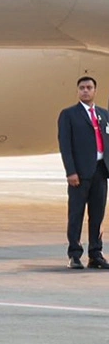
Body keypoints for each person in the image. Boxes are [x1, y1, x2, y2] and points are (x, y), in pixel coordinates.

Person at [58, 76, 109, 269]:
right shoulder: (69, 115)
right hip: (79, 174)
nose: (85, 91)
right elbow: (65, 145)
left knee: (98, 215)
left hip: (100, 171)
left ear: (95, 90)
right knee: (76, 214)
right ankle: (75, 254)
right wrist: (70, 171)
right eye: (82, 88)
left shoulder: (104, 115)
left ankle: (96, 253)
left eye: (89, 87)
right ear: (78, 91)